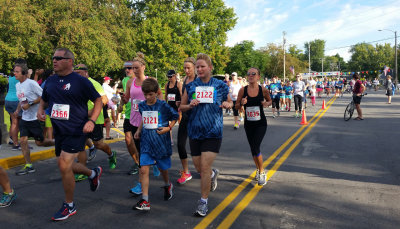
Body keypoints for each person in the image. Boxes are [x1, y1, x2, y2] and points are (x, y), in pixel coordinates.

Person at [37, 48, 103, 221]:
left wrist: (92, 120)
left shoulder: (80, 81)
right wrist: (40, 109)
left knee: (63, 164)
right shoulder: (51, 80)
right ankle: (93, 173)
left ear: (70, 61)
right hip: (60, 131)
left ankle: (69, 205)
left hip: (77, 129)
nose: (54, 60)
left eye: (58, 58)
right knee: (64, 165)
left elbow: (98, 100)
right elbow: (44, 98)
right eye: (53, 57)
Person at [180, 53, 232, 217]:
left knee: (204, 167)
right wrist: (189, 105)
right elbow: (181, 106)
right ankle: (212, 174)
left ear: (210, 67)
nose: (200, 69)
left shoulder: (220, 85)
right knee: (199, 167)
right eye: (198, 67)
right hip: (195, 130)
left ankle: (203, 202)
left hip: (213, 131)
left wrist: (226, 103)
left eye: (202, 66)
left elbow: (231, 102)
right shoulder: (191, 85)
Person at [133, 78, 179, 210]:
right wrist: (139, 130)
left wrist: (168, 128)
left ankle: (167, 184)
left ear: (157, 92)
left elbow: (175, 116)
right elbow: (144, 118)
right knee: (143, 169)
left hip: (160, 141)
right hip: (146, 142)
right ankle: (145, 200)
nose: (147, 97)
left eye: (150, 95)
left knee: (162, 168)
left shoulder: (163, 105)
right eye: (145, 94)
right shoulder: (142, 105)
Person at [125, 52, 163, 195]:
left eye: (136, 67)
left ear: (143, 67)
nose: (134, 70)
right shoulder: (130, 82)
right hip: (134, 118)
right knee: (140, 150)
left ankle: (141, 184)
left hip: (147, 119)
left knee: (143, 152)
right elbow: (127, 98)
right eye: (132, 68)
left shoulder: (150, 80)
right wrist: (122, 100)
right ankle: (153, 163)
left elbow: (159, 94)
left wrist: (156, 107)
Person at [73, 64, 117, 181]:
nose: (76, 75)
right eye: (75, 73)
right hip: (80, 119)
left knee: (98, 144)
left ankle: (111, 155)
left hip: (95, 119)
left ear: (86, 73)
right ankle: (82, 169)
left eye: (79, 73)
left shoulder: (94, 84)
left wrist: (92, 111)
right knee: (80, 144)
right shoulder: (75, 83)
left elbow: (104, 99)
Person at [14, 64, 55, 176]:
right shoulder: (18, 85)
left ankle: (58, 142)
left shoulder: (31, 83)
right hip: (25, 117)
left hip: (35, 118)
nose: (14, 73)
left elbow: (44, 96)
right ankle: (29, 165)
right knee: (23, 140)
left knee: (40, 142)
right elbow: (22, 99)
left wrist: (31, 104)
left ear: (23, 73)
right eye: (14, 71)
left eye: (17, 71)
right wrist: (18, 110)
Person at [235, 68, 271, 186]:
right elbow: (236, 106)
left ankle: (262, 172)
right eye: (248, 74)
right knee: (253, 149)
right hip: (248, 123)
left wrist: (266, 103)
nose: (250, 76)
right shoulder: (243, 90)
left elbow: (270, 100)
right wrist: (241, 103)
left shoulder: (263, 90)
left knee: (256, 146)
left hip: (261, 123)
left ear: (258, 77)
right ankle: (258, 169)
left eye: (253, 74)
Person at [176, 57, 197, 185]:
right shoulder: (185, 80)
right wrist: (181, 103)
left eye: (188, 67)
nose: (186, 70)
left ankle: (208, 171)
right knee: (180, 144)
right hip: (185, 115)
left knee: (196, 148)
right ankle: (186, 171)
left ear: (194, 67)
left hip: (197, 118)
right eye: (184, 68)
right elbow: (185, 97)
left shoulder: (199, 80)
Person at [119, 61, 140, 175]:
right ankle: (137, 162)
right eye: (126, 68)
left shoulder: (144, 80)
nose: (127, 70)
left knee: (139, 141)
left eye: (130, 68)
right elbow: (126, 97)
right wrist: (121, 105)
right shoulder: (124, 80)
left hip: (139, 116)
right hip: (128, 114)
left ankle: (143, 162)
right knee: (128, 140)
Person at [5, 59, 24, 150]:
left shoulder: (11, 77)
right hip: (16, 101)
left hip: (8, 99)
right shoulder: (20, 77)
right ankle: (15, 143)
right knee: (16, 123)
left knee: (13, 122)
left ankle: (12, 140)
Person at [164, 69, 182, 144]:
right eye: (168, 77)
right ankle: (170, 139)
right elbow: (166, 95)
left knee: (180, 121)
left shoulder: (178, 84)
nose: (169, 78)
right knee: (168, 123)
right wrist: (164, 104)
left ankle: (181, 138)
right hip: (170, 106)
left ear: (174, 76)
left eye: (170, 76)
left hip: (177, 106)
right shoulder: (166, 85)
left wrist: (181, 104)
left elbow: (181, 94)